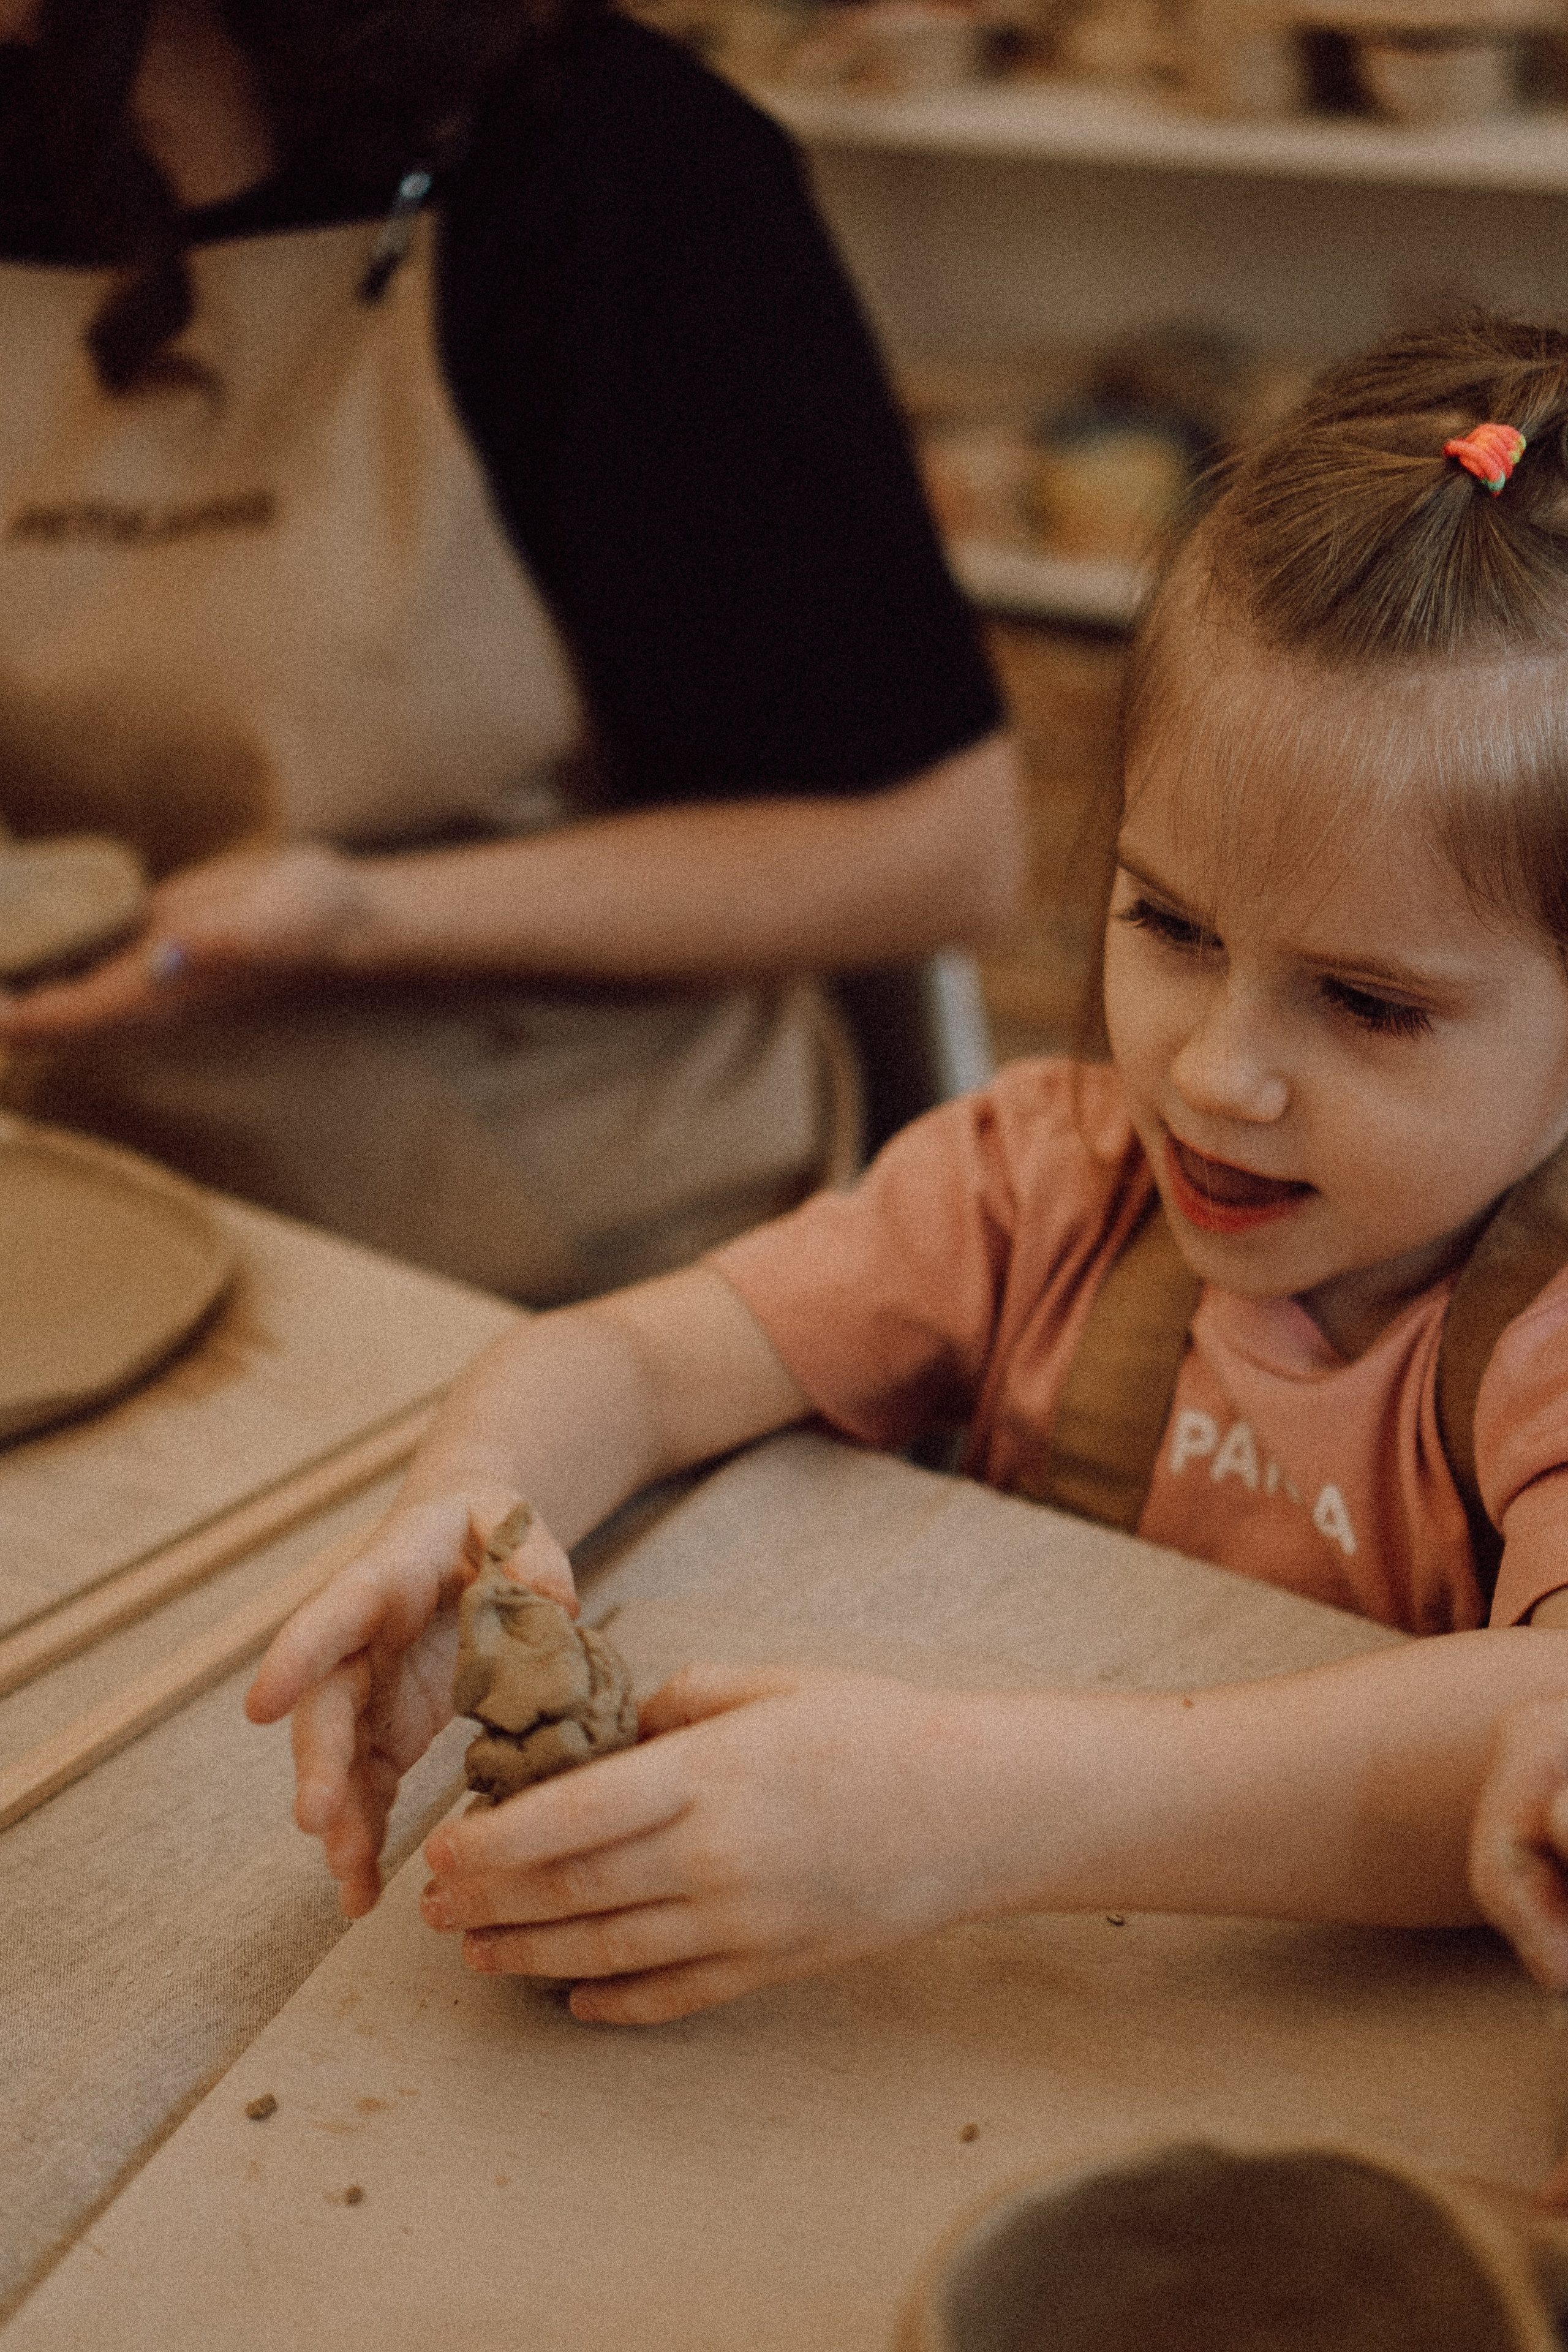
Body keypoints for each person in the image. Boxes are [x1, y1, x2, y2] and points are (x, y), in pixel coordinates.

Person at [248, 314, 1568, 2028]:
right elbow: (632, 1357)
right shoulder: (1047, 1183)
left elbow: (1538, 1731)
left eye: (1372, 1004)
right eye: (1169, 924)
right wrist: (473, 1513)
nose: (1213, 1072)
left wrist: (947, 1815)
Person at [0, 0, 1021, 1302]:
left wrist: (357, 919)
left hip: (578, 1264)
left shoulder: (605, 167)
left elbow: (940, 853)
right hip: (95, 1184)